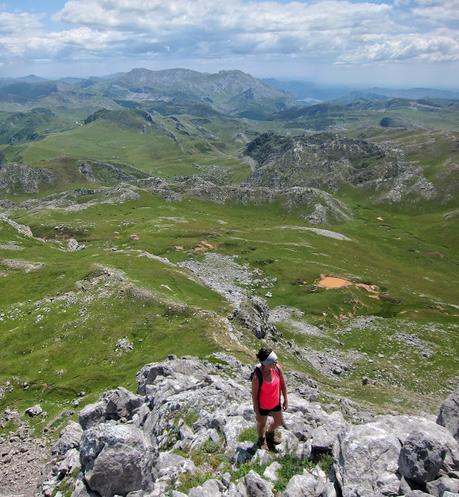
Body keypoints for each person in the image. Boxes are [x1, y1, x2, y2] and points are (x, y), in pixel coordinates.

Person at [251, 347, 288, 451]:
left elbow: (282, 384)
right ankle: (261, 439)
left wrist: (285, 399)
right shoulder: (257, 377)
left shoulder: (277, 369)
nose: (275, 363)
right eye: (273, 362)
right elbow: (254, 395)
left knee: (279, 421)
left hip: (275, 402)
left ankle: (269, 433)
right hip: (262, 405)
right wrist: (256, 409)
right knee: (261, 423)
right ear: (265, 363)